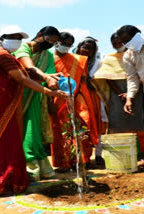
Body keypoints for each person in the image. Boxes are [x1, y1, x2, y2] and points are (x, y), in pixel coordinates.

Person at [0, 25, 67, 198]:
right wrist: (48, 90)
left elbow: (26, 75)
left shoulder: (9, 56)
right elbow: (22, 77)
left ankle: (9, 181)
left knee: (9, 142)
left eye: (18, 38)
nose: (16, 41)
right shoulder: (0, 55)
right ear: (1, 38)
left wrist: (47, 78)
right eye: (12, 37)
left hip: (5, 106)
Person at [12, 26, 60, 181]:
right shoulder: (22, 48)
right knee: (18, 130)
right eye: (48, 40)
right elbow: (29, 68)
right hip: (16, 96)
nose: (50, 44)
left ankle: (40, 166)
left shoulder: (48, 55)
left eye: (54, 42)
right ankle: (27, 167)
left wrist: (55, 83)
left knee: (33, 131)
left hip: (36, 97)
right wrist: (45, 77)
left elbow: (51, 76)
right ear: (39, 35)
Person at [51, 32, 99, 171]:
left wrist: (79, 97)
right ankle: (63, 163)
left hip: (77, 98)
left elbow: (82, 80)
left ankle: (83, 160)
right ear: (56, 42)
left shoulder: (78, 59)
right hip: (56, 99)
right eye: (63, 43)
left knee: (81, 128)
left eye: (69, 44)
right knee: (60, 131)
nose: (66, 46)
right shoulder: (48, 59)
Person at [94, 33, 144, 155]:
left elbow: (142, 73)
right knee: (117, 121)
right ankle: (120, 152)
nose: (118, 46)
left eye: (120, 43)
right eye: (114, 44)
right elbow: (107, 77)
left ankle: (143, 151)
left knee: (139, 120)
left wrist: (130, 94)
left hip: (136, 93)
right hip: (117, 95)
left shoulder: (135, 55)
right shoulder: (109, 58)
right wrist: (120, 93)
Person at [116, 25, 144, 169]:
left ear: (137, 35)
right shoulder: (129, 55)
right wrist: (130, 98)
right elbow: (132, 78)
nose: (125, 44)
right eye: (123, 42)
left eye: (127, 40)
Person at [74, 37, 108, 167]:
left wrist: (89, 80)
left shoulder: (98, 63)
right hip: (78, 98)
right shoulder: (72, 61)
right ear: (79, 47)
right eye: (85, 47)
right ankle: (82, 158)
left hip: (94, 98)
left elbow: (101, 80)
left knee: (98, 125)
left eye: (90, 49)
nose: (87, 50)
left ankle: (98, 155)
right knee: (82, 125)